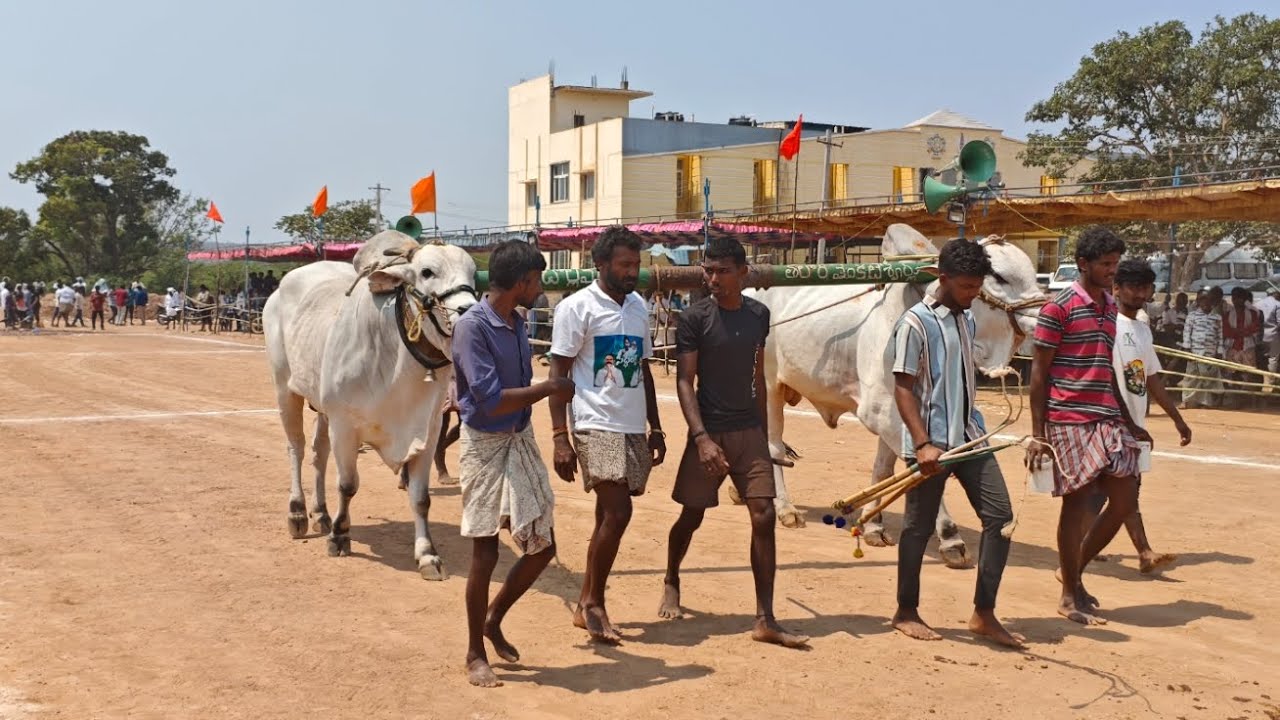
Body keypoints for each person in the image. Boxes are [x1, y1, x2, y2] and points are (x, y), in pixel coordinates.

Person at [657, 235, 808, 649]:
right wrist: (702, 439)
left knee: (763, 514)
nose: (714, 278)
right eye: (709, 270)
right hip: (710, 433)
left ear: (743, 273)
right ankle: (672, 575)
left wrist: (766, 438)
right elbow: (685, 382)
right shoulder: (694, 318)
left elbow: (758, 378)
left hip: (749, 434)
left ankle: (765, 618)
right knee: (691, 516)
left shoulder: (758, 315)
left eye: (723, 271)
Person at [451, 239, 574, 688]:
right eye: (537, 280)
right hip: (484, 444)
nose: (539, 288)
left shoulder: (516, 322)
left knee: (542, 545)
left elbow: (465, 381)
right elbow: (488, 398)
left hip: (519, 439)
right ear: (522, 281)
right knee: (484, 551)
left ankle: (493, 617)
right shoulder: (472, 327)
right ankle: (473, 653)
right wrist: (549, 389)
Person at [889, 239, 1021, 648]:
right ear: (942, 278)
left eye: (976, 286)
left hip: (970, 437)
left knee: (1001, 518)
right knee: (917, 528)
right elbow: (903, 388)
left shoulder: (966, 318)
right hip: (932, 445)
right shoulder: (914, 323)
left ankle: (984, 613)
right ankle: (905, 611)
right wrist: (923, 443)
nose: (972, 294)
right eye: (965, 286)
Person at [1026, 226, 1152, 626]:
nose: (1112, 271)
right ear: (1083, 264)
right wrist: (1039, 434)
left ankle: (1073, 572)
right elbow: (1039, 375)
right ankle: (1069, 593)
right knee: (1076, 505)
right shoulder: (1058, 308)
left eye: (1115, 264)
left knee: (1125, 500)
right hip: (1069, 420)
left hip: (1107, 418)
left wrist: (1129, 420)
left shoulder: (1110, 306)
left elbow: (1105, 368)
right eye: (1105, 264)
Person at [548, 225, 666, 644]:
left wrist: (657, 427)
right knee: (618, 513)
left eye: (636, 264)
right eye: (624, 264)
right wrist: (560, 436)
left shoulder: (638, 307)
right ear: (601, 265)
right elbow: (558, 373)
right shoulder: (577, 308)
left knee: (606, 515)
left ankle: (584, 603)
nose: (633, 271)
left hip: (631, 424)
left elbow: (646, 370)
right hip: (592, 421)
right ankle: (595, 603)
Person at [1110, 260, 1192, 574]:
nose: (1140, 293)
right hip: (1111, 423)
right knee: (1108, 492)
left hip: (1135, 422)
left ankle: (1141, 552)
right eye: (1133, 286)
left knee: (1127, 490)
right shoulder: (1108, 325)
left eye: (1144, 287)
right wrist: (1128, 424)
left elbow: (1152, 378)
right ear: (1116, 289)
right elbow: (1106, 377)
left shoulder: (1142, 329)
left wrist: (1177, 419)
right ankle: (1137, 551)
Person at [1181, 289, 1224, 409]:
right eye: (1202, 300)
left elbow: (1220, 336)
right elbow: (1187, 333)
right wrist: (1187, 348)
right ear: (1198, 302)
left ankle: (1206, 402)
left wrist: (1219, 351)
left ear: (1212, 302)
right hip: (1195, 350)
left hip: (1210, 351)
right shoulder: (1192, 316)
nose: (1205, 303)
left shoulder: (1217, 317)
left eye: (1208, 300)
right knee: (1191, 376)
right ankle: (1187, 400)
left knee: (1208, 377)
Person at [1255, 286, 1280, 386]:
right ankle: (1271, 381)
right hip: (1273, 337)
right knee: (1273, 358)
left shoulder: (1257, 304)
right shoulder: (1278, 305)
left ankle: (1263, 379)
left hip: (1260, 336)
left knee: (1262, 359)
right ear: (1275, 293)